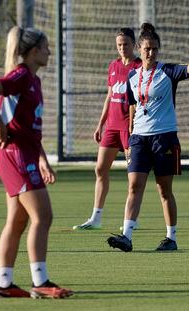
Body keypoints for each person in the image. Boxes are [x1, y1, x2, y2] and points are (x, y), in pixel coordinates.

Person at [107, 23, 189, 252]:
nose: (151, 53)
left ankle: (171, 238)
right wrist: (128, 138)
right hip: (138, 138)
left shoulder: (167, 72)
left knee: (164, 190)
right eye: (147, 49)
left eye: (155, 49)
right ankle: (126, 236)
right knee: (134, 187)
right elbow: (132, 107)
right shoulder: (132, 76)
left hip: (164, 138)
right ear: (139, 48)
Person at [0, 26, 72, 299]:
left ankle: (4, 284)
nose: (49, 52)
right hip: (16, 155)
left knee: (17, 222)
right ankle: (40, 282)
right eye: (45, 48)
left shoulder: (34, 80)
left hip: (26, 154)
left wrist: (42, 159)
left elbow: (30, 128)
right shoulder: (20, 75)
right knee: (43, 216)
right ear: (32, 52)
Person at [73, 28, 141, 230]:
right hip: (111, 127)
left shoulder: (139, 67)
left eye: (126, 44)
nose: (122, 48)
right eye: (119, 44)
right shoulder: (113, 66)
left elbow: (139, 100)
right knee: (100, 169)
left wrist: (134, 125)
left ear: (134, 45)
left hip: (129, 128)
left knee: (134, 176)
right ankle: (96, 218)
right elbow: (109, 96)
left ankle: (131, 221)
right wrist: (100, 124)